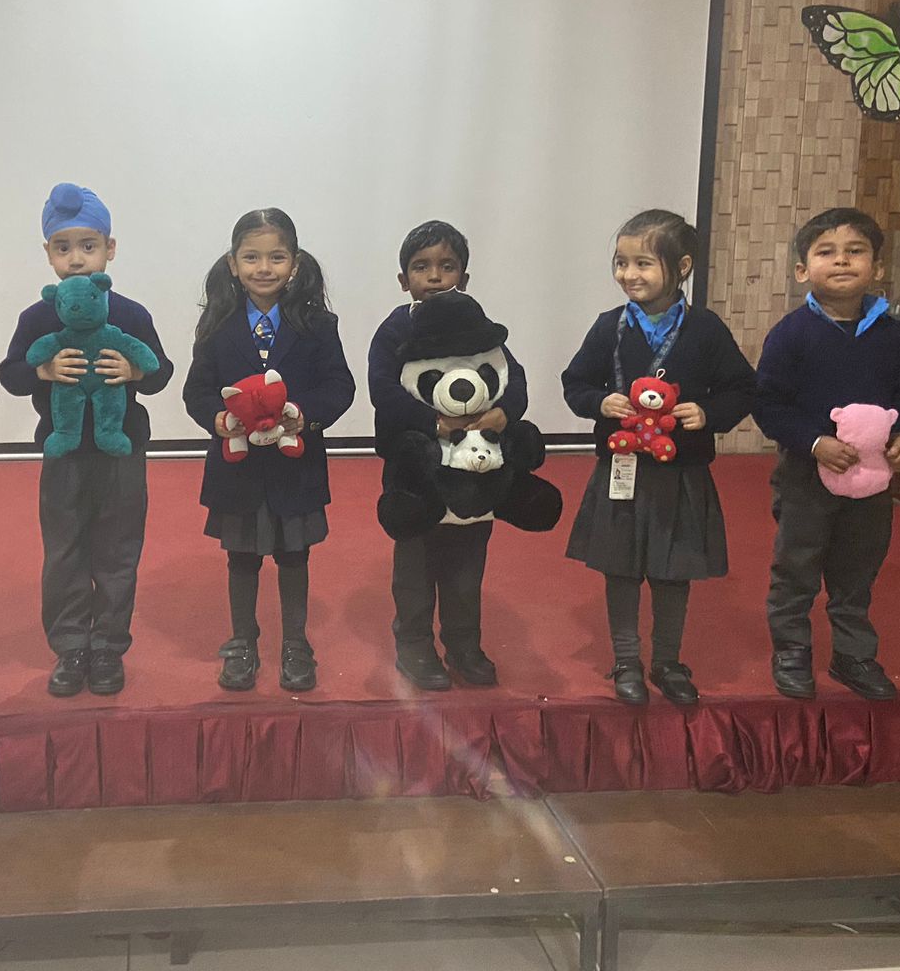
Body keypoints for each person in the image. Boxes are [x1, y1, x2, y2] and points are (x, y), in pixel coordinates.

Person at [562, 209, 756, 705]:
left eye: (643, 263)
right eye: (620, 262)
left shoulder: (705, 328)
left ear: (682, 267)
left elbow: (741, 388)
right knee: (620, 568)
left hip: (681, 472)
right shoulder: (608, 327)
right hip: (621, 471)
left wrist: (707, 413)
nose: (628, 274)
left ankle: (668, 662)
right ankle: (627, 661)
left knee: (673, 571)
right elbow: (575, 383)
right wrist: (599, 402)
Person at [1, 183, 173, 697]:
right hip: (64, 453)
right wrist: (43, 370)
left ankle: (108, 647)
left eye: (88, 246)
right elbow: (11, 374)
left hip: (122, 451)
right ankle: (71, 646)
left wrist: (135, 372)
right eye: (63, 247)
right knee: (64, 550)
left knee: (118, 550)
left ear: (109, 250)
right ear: (48, 254)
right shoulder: (38, 316)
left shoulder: (130, 314)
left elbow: (161, 371)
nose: (76, 258)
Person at [754, 207, 900, 701]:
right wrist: (814, 442)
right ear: (802, 270)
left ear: (877, 267)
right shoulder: (791, 334)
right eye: (826, 252)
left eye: (855, 252)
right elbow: (768, 403)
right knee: (797, 566)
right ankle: (791, 649)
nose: (841, 261)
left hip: (873, 481)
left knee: (858, 569)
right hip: (805, 476)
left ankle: (853, 654)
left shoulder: (891, 335)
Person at [183, 208, 355, 693]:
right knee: (241, 558)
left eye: (276, 257)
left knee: (294, 556)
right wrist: (218, 420)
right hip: (236, 469)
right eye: (251, 257)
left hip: (294, 466)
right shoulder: (217, 324)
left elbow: (340, 386)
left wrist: (305, 415)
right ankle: (243, 642)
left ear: (294, 263)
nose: (264, 268)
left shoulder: (318, 324)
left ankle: (296, 645)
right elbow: (197, 392)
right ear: (233, 263)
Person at [367, 220, 528, 691]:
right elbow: (382, 391)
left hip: (473, 469)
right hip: (414, 468)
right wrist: (431, 424)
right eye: (421, 267)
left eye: (447, 266)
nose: (435, 276)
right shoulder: (395, 329)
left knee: (466, 565)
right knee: (415, 566)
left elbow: (513, 377)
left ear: (465, 277)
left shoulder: (478, 325)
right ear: (404, 280)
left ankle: (463, 644)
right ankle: (414, 645)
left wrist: (504, 413)